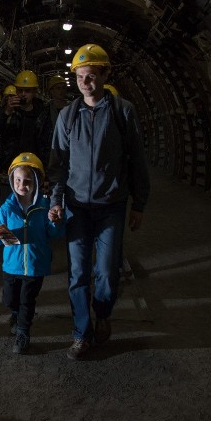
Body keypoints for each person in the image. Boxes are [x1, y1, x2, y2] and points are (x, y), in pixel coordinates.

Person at [48, 44, 150, 360]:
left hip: (111, 205)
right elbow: (58, 163)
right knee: (78, 273)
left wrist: (139, 203)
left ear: (105, 74)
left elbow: (136, 160)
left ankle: (102, 312)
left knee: (106, 272)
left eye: (91, 76)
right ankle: (82, 333)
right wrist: (56, 200)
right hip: (77, 206)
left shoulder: (123, 112)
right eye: (80, 77)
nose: (85, 83)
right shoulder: (67, 116)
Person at [0, 153, 64, 354]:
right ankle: (14, 313)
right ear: (12, 181)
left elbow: (55, 233)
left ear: (37, 182)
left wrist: (56, 222)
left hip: (35, 265)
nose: (22, 184)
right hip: (11, 266)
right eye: (18, 180)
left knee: (27, 300)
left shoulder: (45, 207)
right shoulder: (6, 208)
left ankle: (23, 332)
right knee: (9, 299)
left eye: (28, 181)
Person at [0, 71, 52, 178]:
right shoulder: (8, 111)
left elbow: (46, 143)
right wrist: (6, 112)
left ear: (34, 91)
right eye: (20, 90)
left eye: (27, 91)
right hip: (10, 167)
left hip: (34, 166)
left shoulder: (42, 114)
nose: (23, 94)